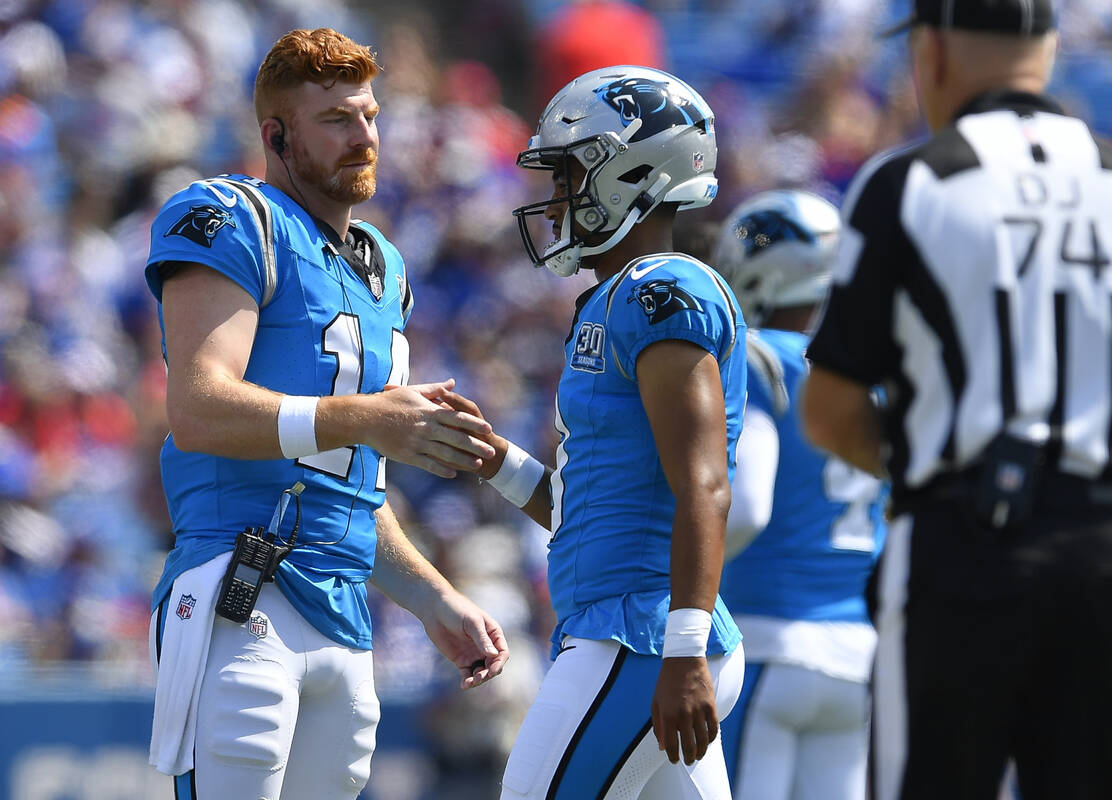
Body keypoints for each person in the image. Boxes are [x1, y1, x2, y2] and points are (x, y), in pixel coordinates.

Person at [142, 28, 510, 800]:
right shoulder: (233, 216)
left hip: (344, 615)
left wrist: (431, 596)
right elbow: (199, 410)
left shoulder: (382, 264)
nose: (365, 136)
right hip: (242, 595)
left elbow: (341, 485)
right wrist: (363, 418)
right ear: (276, 135)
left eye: (371, 115)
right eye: (338, 119)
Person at [801, 1, 1112, 798]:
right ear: (1047, 51)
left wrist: (920, 465)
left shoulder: (912, 182)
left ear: (931, 53)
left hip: (961, 543)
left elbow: (829, 409)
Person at [444, 65, 748, 799]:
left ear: (633, 172)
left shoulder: (659, 291)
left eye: (573, 174)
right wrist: (498, 463)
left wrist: (682, 653)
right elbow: (593, 512)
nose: (555, 199)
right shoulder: (615, 299)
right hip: (637, 629)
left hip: (641, 635)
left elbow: (704, 485)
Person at [710, 189, 887, 800]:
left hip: (770, 637)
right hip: (860, 650)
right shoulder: (878, 373)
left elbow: (749, 505)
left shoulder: (759, 359)